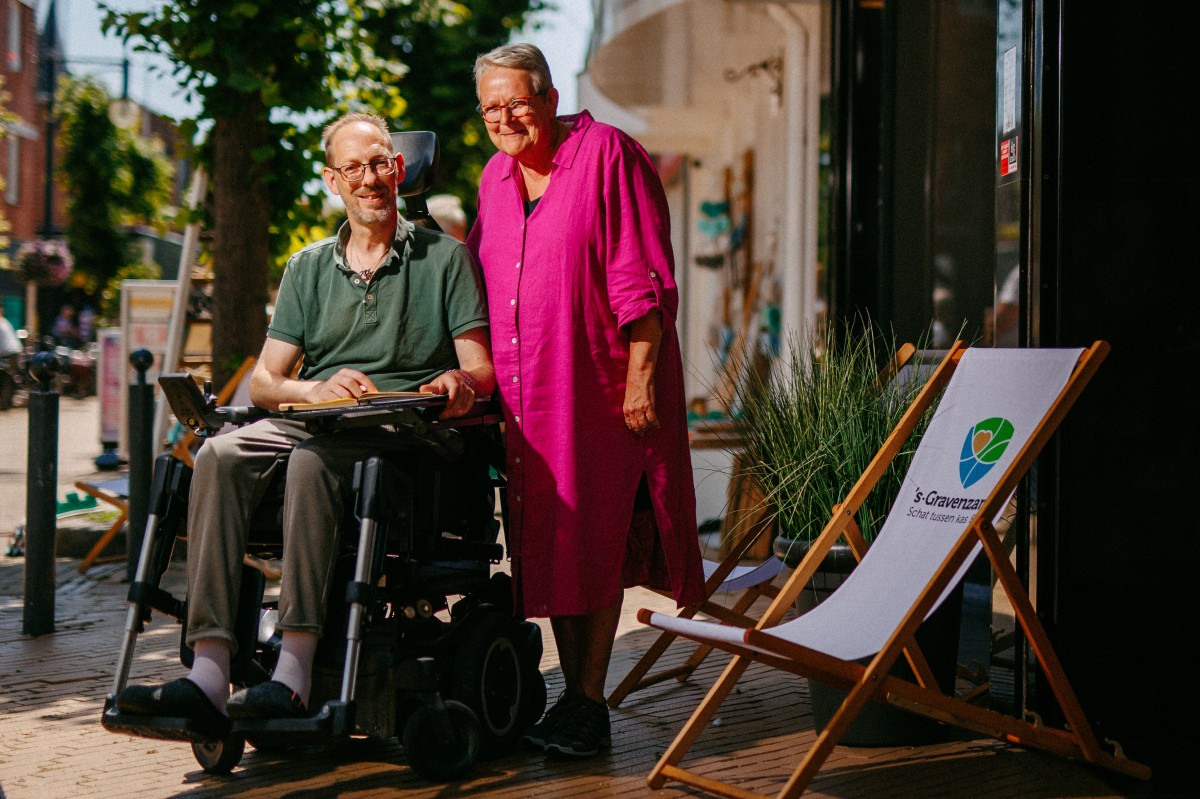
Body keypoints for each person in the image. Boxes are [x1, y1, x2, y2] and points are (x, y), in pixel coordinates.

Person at [115, 112, 495, 733]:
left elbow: (480, 370)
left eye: (379, 163)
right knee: (216, 454)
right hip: (316, 418)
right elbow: (265, 383)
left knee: (314, 465)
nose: (369, 178)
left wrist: (458, 381)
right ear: (332, 180)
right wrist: (316, 389)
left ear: (399, 170)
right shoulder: (308, 268)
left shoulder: (444, 259)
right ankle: (209, 671)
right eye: (353, 168)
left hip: (399, 433)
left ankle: (293, 669)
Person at [467, 43, 706, 758]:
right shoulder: (494, 177)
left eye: (515, 101)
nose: (504, 118)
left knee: (592, 540)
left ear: (546, 96)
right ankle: (573, 697)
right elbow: (475, 281)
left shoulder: (607, 154)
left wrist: (640, 377)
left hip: (596, 388)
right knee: (551, 543)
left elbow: (641, 273)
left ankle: (589, 700)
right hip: (522, 398)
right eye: (489, 108)